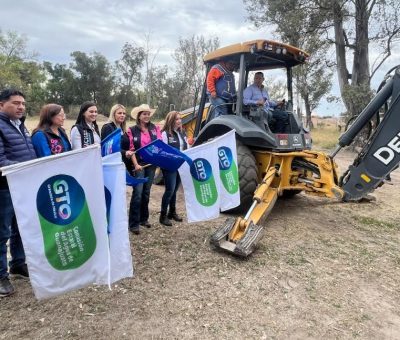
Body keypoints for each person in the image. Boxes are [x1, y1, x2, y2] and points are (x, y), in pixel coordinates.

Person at [0, 89, 37, 297]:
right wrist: (29, 168)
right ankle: (1, 276)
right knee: (2, 232)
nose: (21, 107)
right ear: (1, 105)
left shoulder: (21, 126)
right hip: (4, 187)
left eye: (23, 103)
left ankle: (18, 263)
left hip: (22, 185)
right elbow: (1, 160)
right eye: (15, 103)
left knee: (19, 227)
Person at [121, 104, 161, 235]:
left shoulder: (155, 129)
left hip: (151, 165)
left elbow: (159, 145)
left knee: (146, 192)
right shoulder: (132, 130)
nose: (147, 116)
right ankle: (133, 223)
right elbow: (131, 149)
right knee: (137, 193)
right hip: (138, 165)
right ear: (139, 116)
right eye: (144, 114)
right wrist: (136, 164)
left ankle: (144, 219)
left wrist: (157, 159)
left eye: (148, 114)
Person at [159, 111, 188, 227]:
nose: (179, 121)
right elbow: (164, 151)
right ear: (170, 121)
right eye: (176, 119)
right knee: (169, 190)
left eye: (180, 119)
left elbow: (186, 148)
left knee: (175, 190)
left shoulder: (182, 133)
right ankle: (162, 216)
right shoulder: (165, 134)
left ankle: (172, 212)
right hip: (169, 166)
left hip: (181, 165)